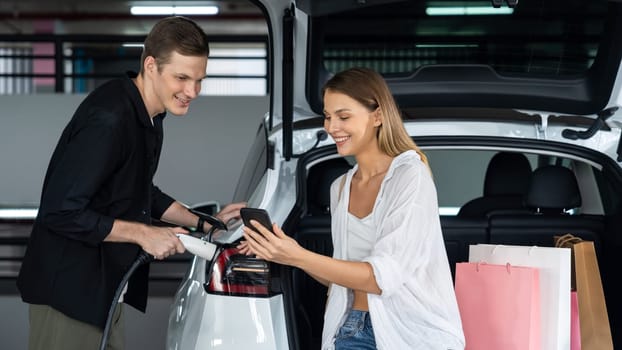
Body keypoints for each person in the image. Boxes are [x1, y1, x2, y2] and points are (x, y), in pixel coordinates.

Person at [17, 16, 244, 350]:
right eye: (181, 78)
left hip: (103, 292)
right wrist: (144, 234)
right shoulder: (109, 120)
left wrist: (207, 222)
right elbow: (60, 211)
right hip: (67, 295)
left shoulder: (150, 116)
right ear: (151, 65)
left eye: (199, 80)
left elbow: (140, 191)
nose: (192, 91)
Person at [240, 67, 465, 349]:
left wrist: (298, 256)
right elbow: (340, 278)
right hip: (350, 328)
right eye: (328, 116)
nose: (331, 127)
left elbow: (383, 278)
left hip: (410, 334)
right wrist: (286, 251)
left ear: (378, 116)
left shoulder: (410, 176)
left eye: (344, 116)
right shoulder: (341, 187)